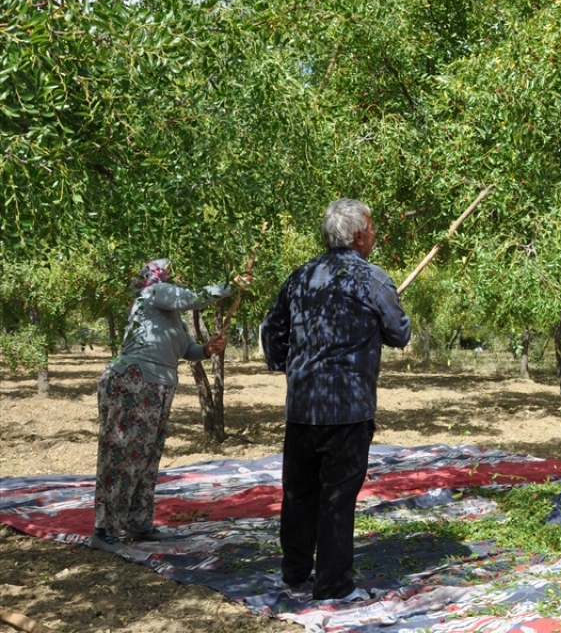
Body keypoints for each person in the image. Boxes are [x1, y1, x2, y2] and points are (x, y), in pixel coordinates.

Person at [261, 198, 411, 603]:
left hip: (303, 408)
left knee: (299, 493)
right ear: (359, 235)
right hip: (347, 410)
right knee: (336, 500)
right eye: (373, 228)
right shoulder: (373, 280)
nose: (376, 235)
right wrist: (391, 315)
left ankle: (294, 572)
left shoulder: (300, 276)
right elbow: (399, 333)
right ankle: (332, 584)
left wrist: (284, 364)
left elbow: (271, 329)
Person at [92, 259, 245, 552]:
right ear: (159, 276)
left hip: (157, 387)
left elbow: (188, 350)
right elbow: (191, 297)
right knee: (123, 454)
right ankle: (104, 529)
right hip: (133, 382)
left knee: (146, 454)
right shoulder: (153, 293)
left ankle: (137, 523)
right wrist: (230, 285)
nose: (177, 277)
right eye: (173, 273)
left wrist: (207, 349)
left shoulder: (172, 317)